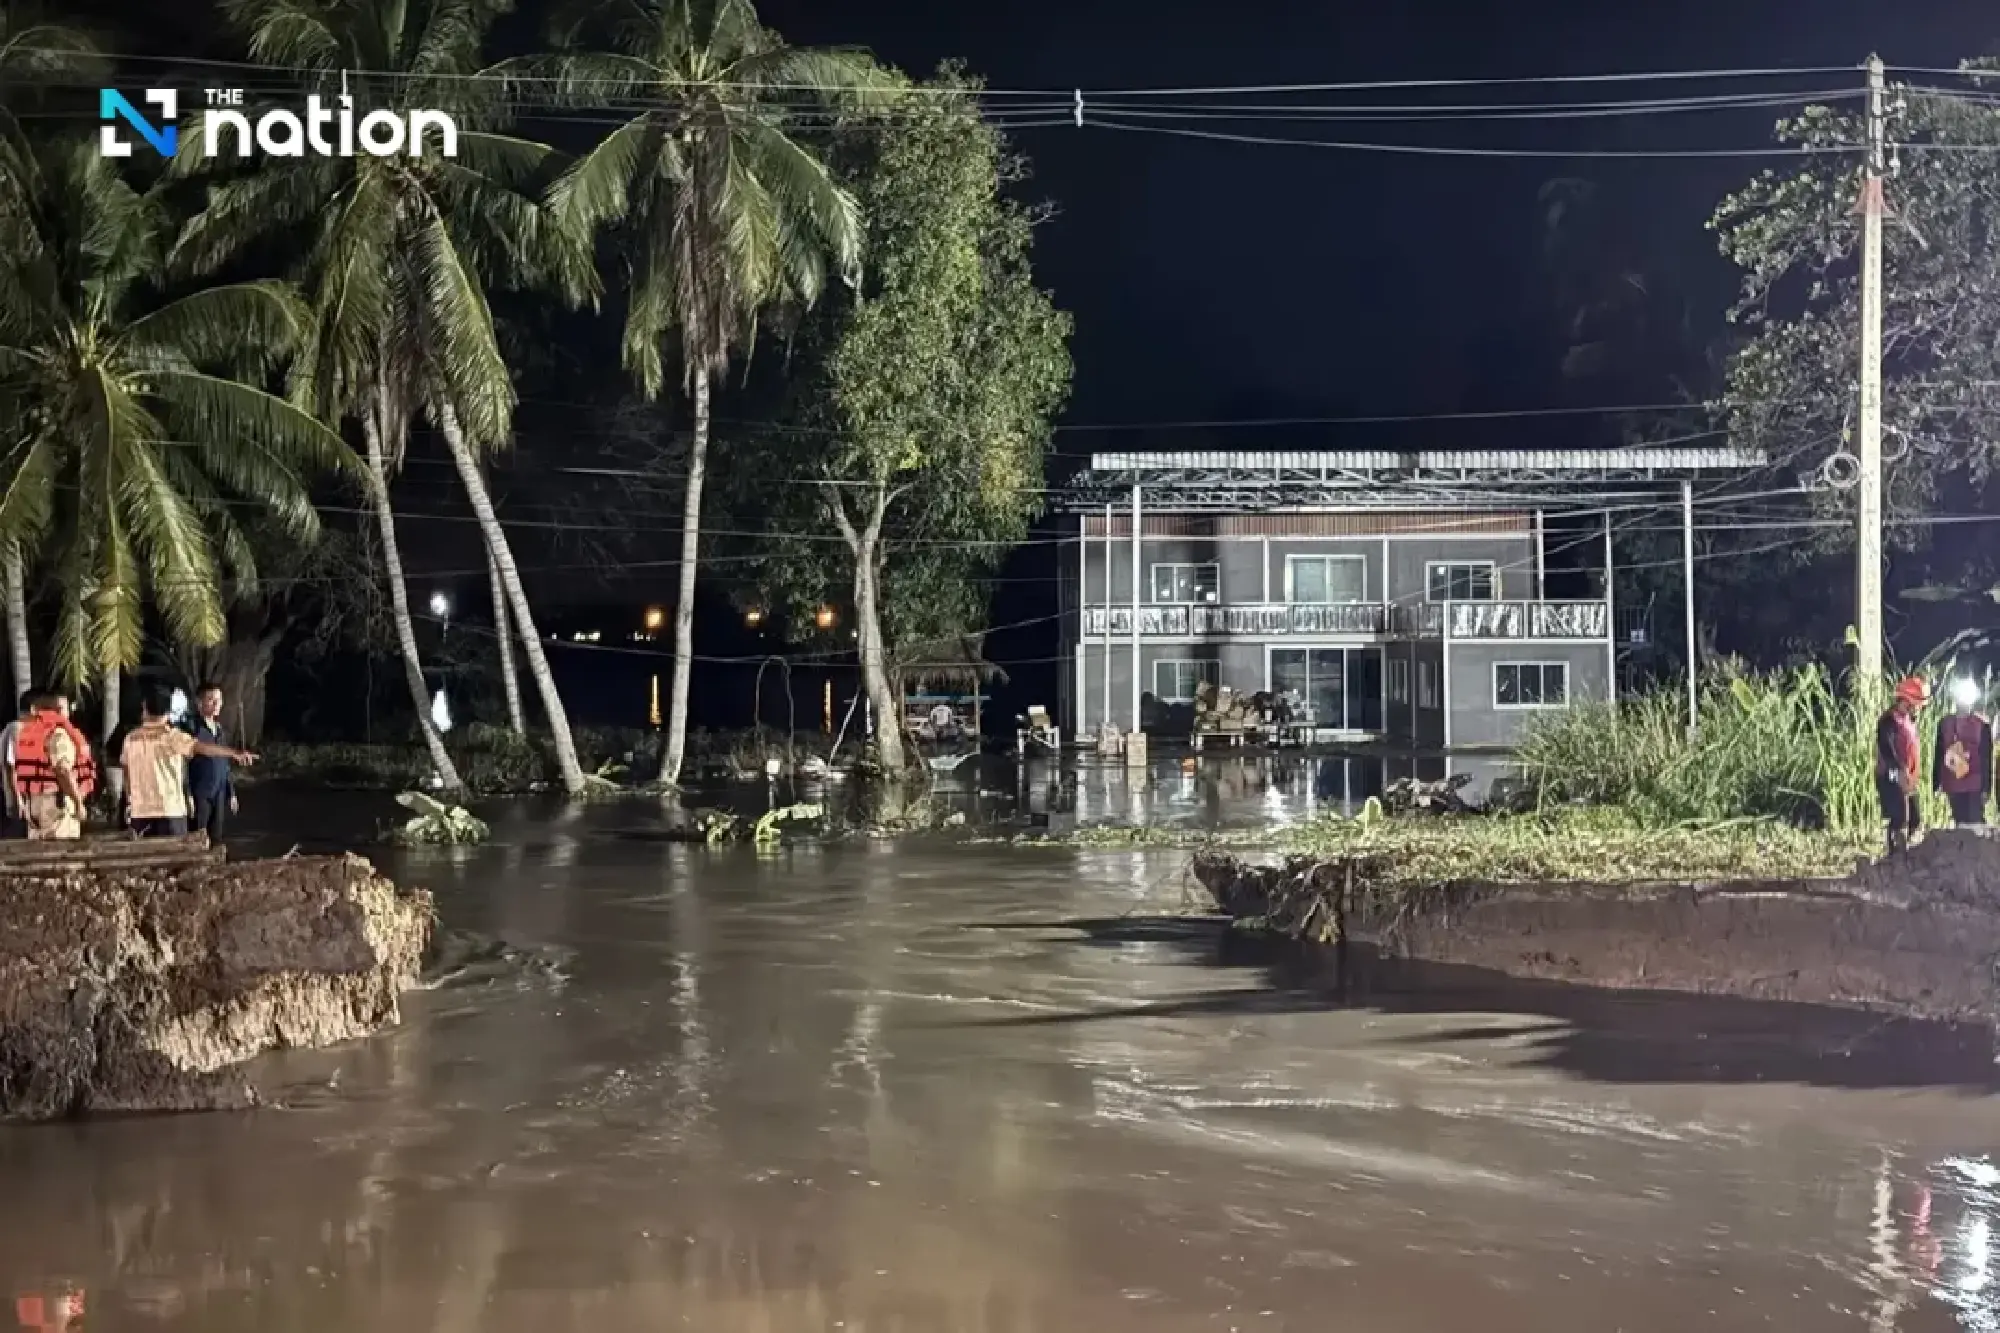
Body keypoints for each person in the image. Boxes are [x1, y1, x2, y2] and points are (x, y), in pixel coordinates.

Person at [119, 688, 255, 838]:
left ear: (144, 708)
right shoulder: (173, 737)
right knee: (177, 852)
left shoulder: (130, 739)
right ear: (168, 711)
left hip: (140, 813)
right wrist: (234, 753)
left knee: (145, 853)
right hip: (170, 811)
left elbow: (126, 773)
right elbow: (204, 748)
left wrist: (130, 801)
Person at [12, 692, 93, 840]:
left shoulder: (27, 734)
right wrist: (78, 802)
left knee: (37, 848)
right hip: (56, 803)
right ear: (59, 710)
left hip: (33, 803)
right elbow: (62, 770)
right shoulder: (58, 733)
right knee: (62, 849)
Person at [1877, 676, 1930, 853]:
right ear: (1907, 700)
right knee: (1899, 815)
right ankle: (1895, 853)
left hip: (1909, 777)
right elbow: (1886, 748)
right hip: (1891, 774)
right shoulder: (1888, 720)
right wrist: (1899, 769)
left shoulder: (1908, 720)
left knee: (1915, 816)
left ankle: (1906, 848)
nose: (1919, 708)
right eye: (1917, 703)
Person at [180, 682, 238, 843]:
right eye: (211, 700)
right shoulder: (191, 728)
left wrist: (231, 793)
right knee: (197, 837)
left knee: (216, 837)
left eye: (219, 700)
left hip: (218, 792)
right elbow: (182, 764)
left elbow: (225, 765)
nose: (217, 704)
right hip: (199, 793)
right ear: (200, 703)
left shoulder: (219, 730)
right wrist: (187, 793)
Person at [1934, 680, 1993, 827]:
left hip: (1974, 784)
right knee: (1960, 823)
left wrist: (1986, 788)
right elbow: (1939, 754)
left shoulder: (1981, 725)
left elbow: (1986, 758)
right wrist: (1936, 783)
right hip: (1953, 782)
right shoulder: (1945, 724)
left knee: (1975, 823)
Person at [0, 690, 32, 836]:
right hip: (18, 801)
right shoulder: (18, 729)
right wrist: (18, 799)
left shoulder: (11, 728)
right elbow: (11, 766)